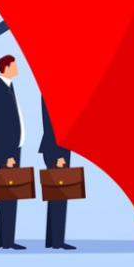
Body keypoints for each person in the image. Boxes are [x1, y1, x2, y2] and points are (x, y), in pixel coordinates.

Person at [0, 55, 25, 250]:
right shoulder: (0, 90)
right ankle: (7, 241)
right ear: (7, 67)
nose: (17, 68)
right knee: (8, 194)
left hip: (12, 149)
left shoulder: (8, 87)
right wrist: (8, 156)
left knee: (8, 195)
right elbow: (1, 125)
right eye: (15, 65)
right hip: (7, 151)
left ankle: (4, 240)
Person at [39, 97, 75, 250]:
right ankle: (57, 241)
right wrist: (57, 155)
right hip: (56, 150)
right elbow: (51, 126)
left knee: (56, 195)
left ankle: (53, 240)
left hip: (60, 148)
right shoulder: (50, 95)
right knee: (59, 194)